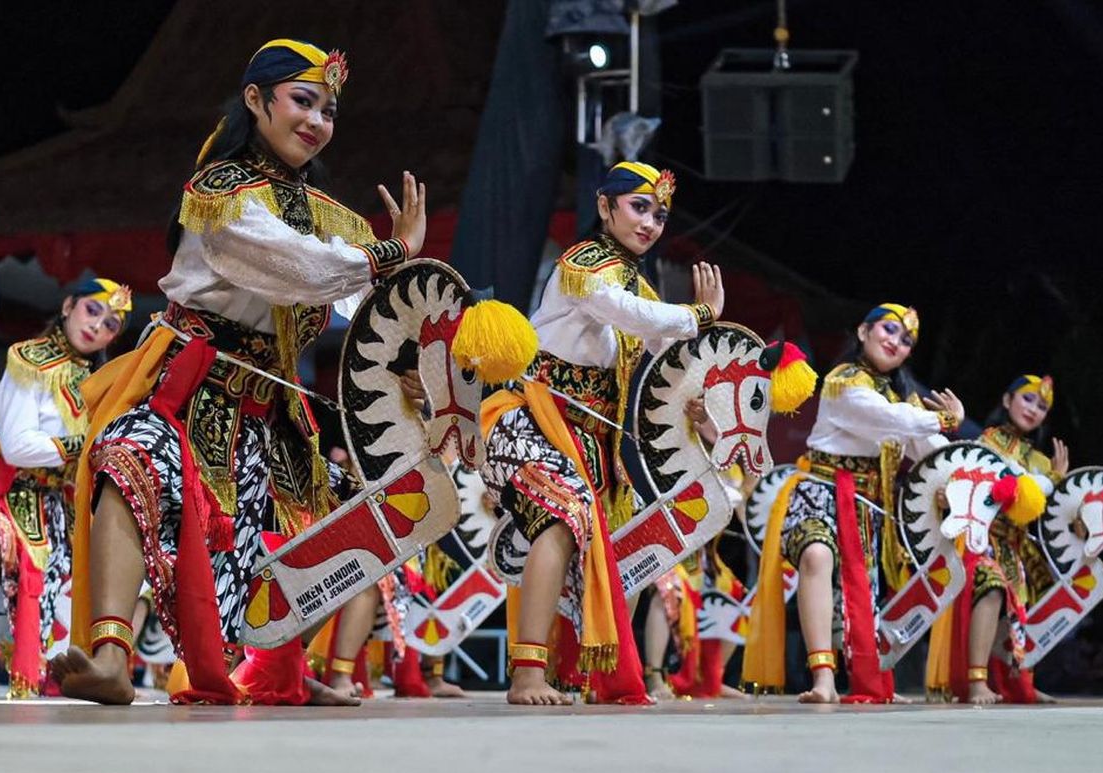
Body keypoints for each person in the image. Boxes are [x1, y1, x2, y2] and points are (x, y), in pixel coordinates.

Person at [49, 38, 427, 705]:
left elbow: (355, 301)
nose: (316, 122)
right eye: (302, 101)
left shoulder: (329, 217)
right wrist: (390, 253)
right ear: (256, 101)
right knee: (129, 462)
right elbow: (299, 269)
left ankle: (285, 671)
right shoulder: (220, 192)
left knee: (310, 519)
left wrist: (408, 353)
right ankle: (111, 658)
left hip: (269, 397)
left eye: (328, 111)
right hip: (189, 383)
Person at [480, 161, 724, 705]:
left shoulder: (638, 282)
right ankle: (526, 674)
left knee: (631, 542)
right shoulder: (582, 263)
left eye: (660, 214)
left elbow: (668, 357)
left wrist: (707, 409)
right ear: (604, 207)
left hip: (593, 439)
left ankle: (584, 677)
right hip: (530, 419)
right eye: (639, 207)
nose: (650, 223)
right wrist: (697, 315)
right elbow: (634, 316)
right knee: (563, 515)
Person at [743, 304, 964, 703]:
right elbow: (892, 420)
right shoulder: (843, 383)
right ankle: (823, 679)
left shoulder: (903, 401)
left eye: (906, 340)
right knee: (815, 557)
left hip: (866, 502)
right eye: (889, 330)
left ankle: (870, 676)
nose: (895, 341)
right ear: (863, 331)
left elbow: (928, 449)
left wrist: (953, 483)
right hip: (819, 489)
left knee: (861, 591)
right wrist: (946, 420)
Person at [0, 279, 131, 698]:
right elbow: (18, 446)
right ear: (68, 306)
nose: (97, 326)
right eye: (92, 310)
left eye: (111, 324)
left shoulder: (98, 385)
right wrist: (81, 447)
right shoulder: (28, 360)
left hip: (58, 503)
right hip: (3, 486)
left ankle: (55, 673)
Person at [926, 374, 1064, 704]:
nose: (1033, 409)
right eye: (1028, 399)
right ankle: (976, 681)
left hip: (1014, 546)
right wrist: (948, 495)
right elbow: (956, 479)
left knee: (1039, 596)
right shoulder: (983, 443)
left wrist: (1056, 481)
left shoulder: (1042, 463)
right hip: (978, 540)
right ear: (1007, 400)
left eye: (1042, 406)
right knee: (991, 586)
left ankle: (1020, 683)